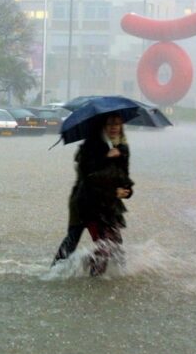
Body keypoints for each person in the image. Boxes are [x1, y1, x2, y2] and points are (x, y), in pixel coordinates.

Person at [51, 113, 134, 276]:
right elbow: (89, 177)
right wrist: (106, 157)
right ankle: (59, 273)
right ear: (102, 126)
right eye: (110, 124)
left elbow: (124, 177)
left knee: (114, 244)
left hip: (108, 203)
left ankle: (113, 275)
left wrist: (127, 191)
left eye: (117, 124)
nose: (114, 127)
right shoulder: (90, 147)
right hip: (86, 202)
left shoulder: (122, 149)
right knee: (78, 240)